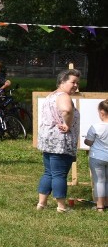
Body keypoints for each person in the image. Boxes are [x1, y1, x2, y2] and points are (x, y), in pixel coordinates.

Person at [36, 69, 81, 212]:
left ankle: (41, 204)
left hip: (48, 141)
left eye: (77, 83)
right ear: (62, 81)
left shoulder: (51, 95)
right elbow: (67, 110)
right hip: (60, 142)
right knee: (59, 174)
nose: (75, 86)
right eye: (73, 82)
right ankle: (61, 207)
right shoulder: (64, 96)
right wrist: (67, 125)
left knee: (48, 172)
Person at [84, 99, 108, 212]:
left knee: (99, 181)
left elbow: (88, 142)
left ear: (102, 112)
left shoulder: (96, 126)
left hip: (97, 157)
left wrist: (87, 141)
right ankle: (106, 202)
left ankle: (100, 206)